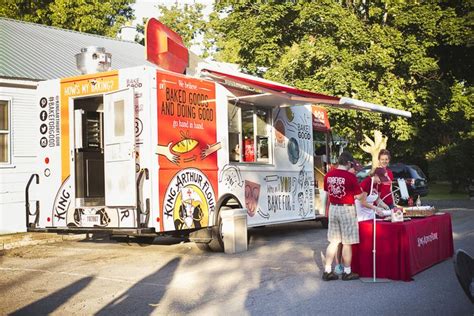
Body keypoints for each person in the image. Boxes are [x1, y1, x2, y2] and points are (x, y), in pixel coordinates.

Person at [322, 152, 364, 281]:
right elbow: (358, 196)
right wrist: (363, 194)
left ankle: (327, 270)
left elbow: (326, 193)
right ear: (348, 163)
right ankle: (347, 271)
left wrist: (325, 210)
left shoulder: (328, 175)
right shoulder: (350, 177)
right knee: (347, 243)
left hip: (333, 208)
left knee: (333, 241)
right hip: (347, 209)